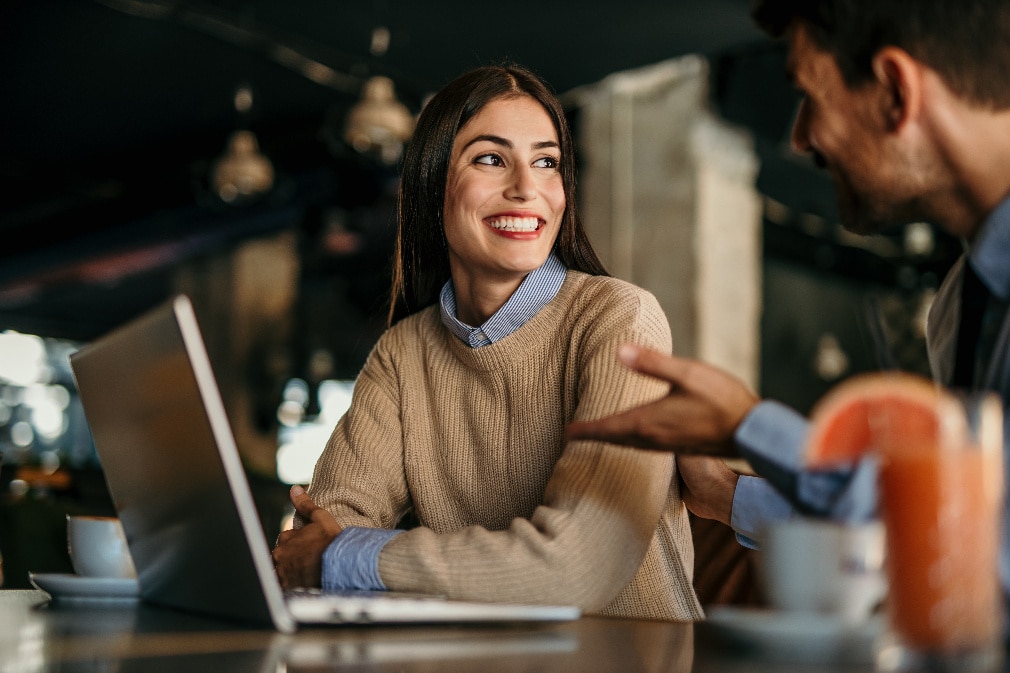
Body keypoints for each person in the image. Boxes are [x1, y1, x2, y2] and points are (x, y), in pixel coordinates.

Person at [566, 0, 1010, 598]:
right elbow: (951, 527)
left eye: (811, 96)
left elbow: (982, 543)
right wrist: (728, 495)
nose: (799, 140)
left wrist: (752, 427)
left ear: (893, 91)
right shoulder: (965, 300)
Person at [271, 64, 704, 621]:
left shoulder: (620, 321)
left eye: (546, 162)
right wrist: (335, 554)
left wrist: (350, 557)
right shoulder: (404, 354)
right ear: (432, 185)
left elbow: (575, 569)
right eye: (491, 158)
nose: (526, 188)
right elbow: (324, 535)